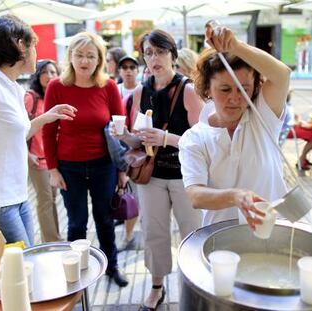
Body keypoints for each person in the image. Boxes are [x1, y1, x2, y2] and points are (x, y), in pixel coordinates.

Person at [111, 29, 203, 310]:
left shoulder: (187, 89)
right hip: (150, 176)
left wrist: (167, 139)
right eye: (149, 53)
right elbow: (139, 139)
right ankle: (156, 287)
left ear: (173, 55)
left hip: (186, 176)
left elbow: (202, 139)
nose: (155, 58)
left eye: (161, 52)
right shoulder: (140, 92)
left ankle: (196, 283)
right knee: (154, 232)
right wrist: (123, 134)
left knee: (191, 231)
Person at [0, 15, 76, 247]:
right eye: (34, 46)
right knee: (19, 270)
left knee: (26, 267)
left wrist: (48, 116)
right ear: (20, 45)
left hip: (19, 196)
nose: (37, 53)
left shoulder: (13, 88)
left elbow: (18, 134)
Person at [178, 24, 291, 228]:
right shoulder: (195, 138)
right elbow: (196, 194)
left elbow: (282, 75)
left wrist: (236, 46)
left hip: (274, 230)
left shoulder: (262, 116)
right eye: (225, 89)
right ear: (208, 89)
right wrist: (236, 196)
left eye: (243, 89)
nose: (235, 98)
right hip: (220, 236)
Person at [42, 32, 128, 287]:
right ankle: (77, 271)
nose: (84, 60)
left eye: (91, 55)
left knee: (104, 219)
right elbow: (48, 130)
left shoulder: (108, 86)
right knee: (77, 222)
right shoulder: (56, 86)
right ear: (70, 57)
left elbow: (120, 130)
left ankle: (112, 266)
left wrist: (122, 170)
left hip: (104, 165)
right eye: (79, 55)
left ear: (99, 59)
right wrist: (53, 169)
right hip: (69, 168)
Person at [25, 59, 62, 243]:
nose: (50, 76)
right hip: (35, 159)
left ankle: (55, 237)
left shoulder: (56, 96)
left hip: (52, 159)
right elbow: (19, 128)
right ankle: (51, 241)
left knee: (52, 199)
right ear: (37, 76)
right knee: (45, 200)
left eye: (54, 72)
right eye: (45, 72)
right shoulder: (31, 98)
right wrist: (26, 154)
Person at [116, 55, 141, 251]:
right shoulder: (116, 92)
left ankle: (135, 235)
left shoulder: (145, 90)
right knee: (129, 199)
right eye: (124, 67)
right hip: (124, 154)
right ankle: (128, 235)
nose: (129, 70)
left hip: (145, 153)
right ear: (119, 71)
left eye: (132, 66)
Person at [282, 91, 312, 170]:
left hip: (290, 128)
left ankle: (303, 158)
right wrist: (300, 123)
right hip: (288, 130)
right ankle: (302, 159)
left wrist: (299, 121)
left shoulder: (286, 105)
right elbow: (291, 123)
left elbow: (295, 116)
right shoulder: (284, 107)